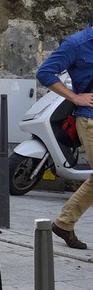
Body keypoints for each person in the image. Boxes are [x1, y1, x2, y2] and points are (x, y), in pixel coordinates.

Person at [35, 16, 93, 250]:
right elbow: (45, 72)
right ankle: (64, 224)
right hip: (90, 119)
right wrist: (75, 97)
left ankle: (64, 224)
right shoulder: (76, 44)